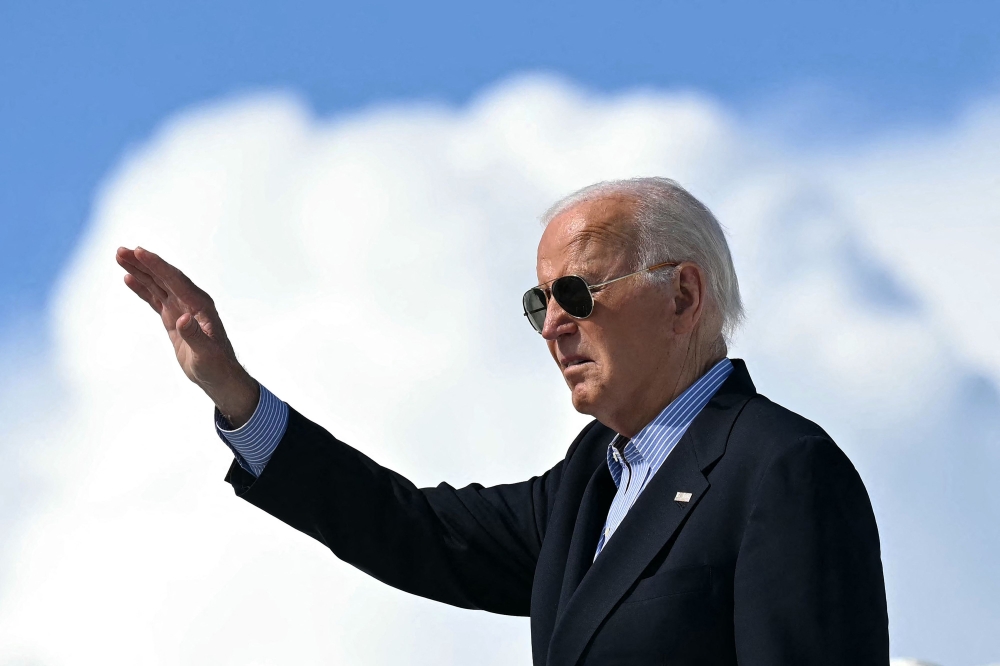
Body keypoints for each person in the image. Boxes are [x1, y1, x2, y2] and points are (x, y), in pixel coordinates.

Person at [116, 177, 889, 665]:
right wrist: (236, 396)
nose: (552, 326)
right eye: (539, 302)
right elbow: (409, 529)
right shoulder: (590, 479)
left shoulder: (780, 468)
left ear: (683, 295)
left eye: (578, 295)